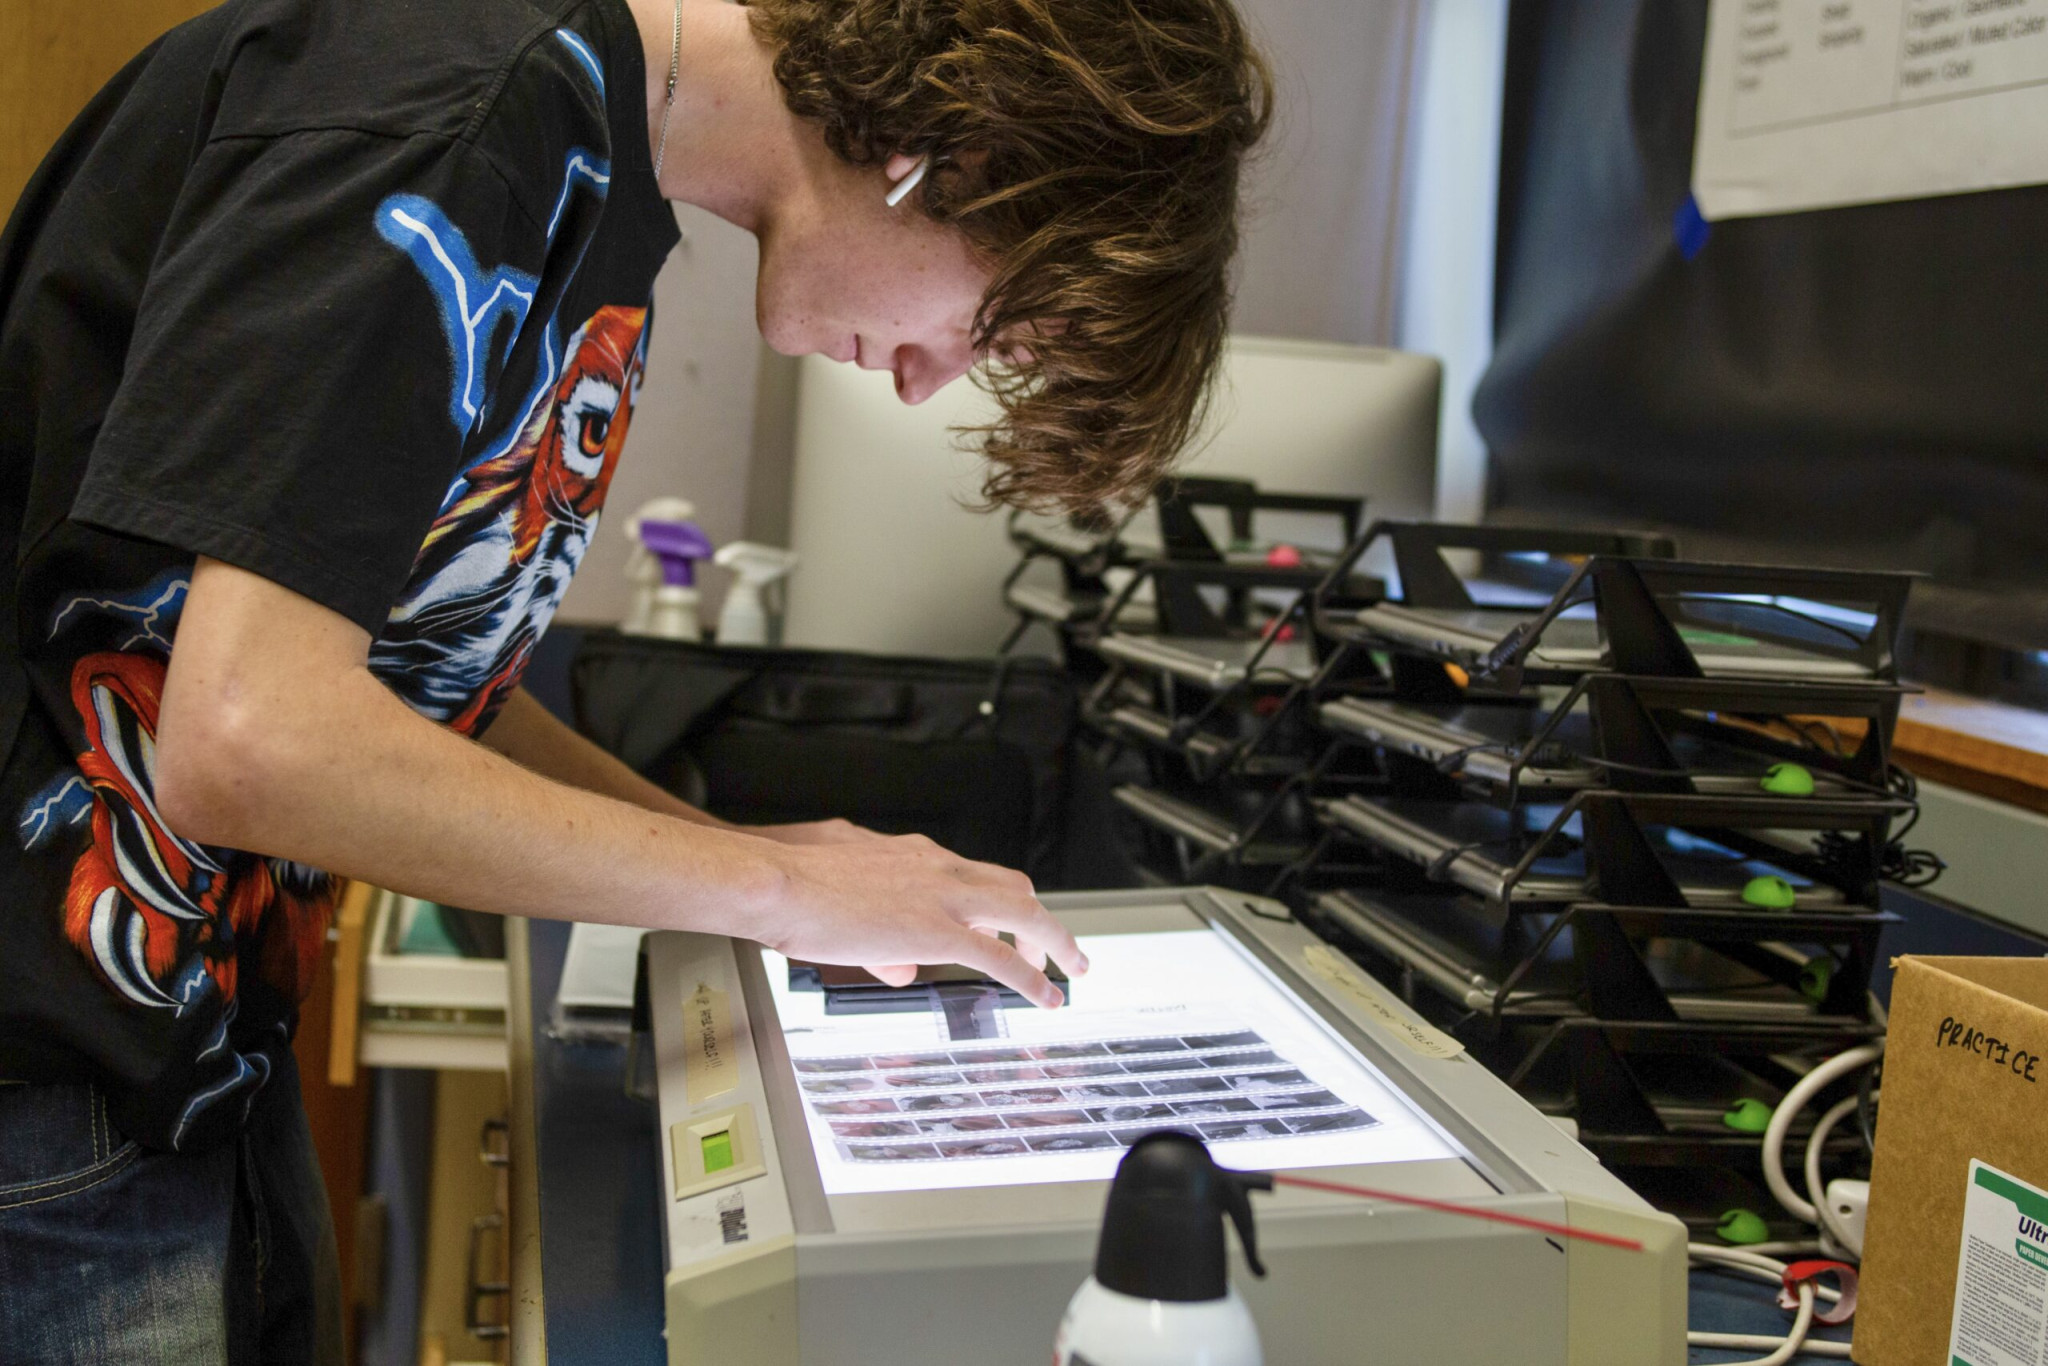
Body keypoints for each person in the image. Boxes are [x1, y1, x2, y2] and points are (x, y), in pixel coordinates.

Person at [0, 0, 1272, 1359]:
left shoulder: (584, 167)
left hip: (187, 1054)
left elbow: (403, 683)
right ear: (961, 154)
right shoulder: (466, 112)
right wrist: (780, 890)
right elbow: (249, 733)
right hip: (51, 1081)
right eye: (995, 327)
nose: (926, 384)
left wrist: (729, 852)